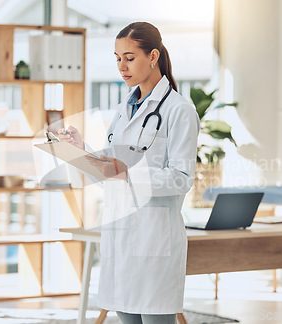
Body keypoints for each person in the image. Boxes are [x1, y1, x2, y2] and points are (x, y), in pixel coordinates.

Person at [56, 22, 199, 324]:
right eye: (117, 58)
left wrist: (128, 175)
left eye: (129, 57)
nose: (122, 66)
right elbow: (111, 172)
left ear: (153, 56)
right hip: (120, 233)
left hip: (153, 238)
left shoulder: (178, 110)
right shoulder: (124, 108)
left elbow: (182, 178)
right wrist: (82, 152)